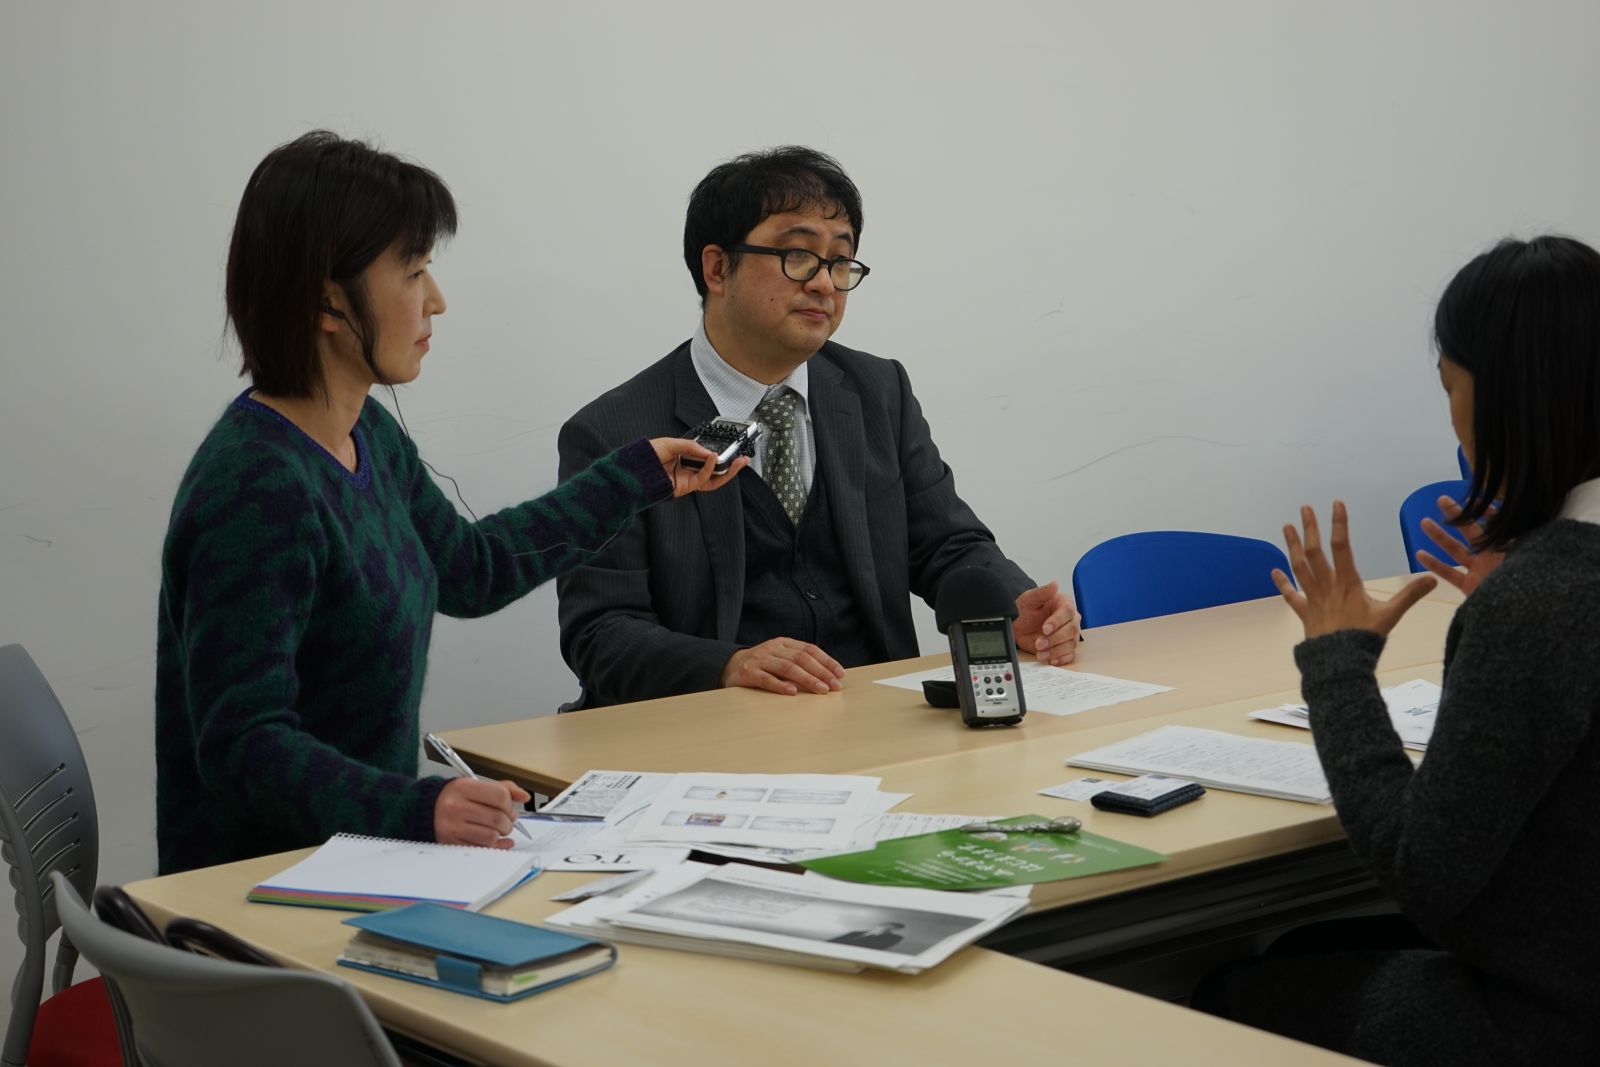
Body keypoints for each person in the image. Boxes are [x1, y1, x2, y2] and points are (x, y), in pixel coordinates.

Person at [155, 132, 742, 875]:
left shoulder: (365, 433)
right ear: (327, 299)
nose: (436, 299)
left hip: (356, 860)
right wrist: (416, 809)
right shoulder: (254, 489)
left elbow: (471, 568)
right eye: (412, 272)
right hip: (258, 889)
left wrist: (636, 477)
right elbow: (242, 744)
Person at [1192, 235, 1600, 1065]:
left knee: (1226, 992)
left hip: (1544, 1023)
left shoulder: (1541, 602)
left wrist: (1338, 662)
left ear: (1503, 398)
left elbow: (1423, 874)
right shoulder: (1554, 589)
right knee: (1307, 953)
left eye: (1451, 386)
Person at [556, 146, 1077, 708]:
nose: (825, 284)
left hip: (871, 714)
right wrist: (728, 664)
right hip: (709, 728)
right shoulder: (613, 432)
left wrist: (1012, 606)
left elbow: (948, 544)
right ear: (717, 268)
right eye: (799, 256)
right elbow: (600, 633)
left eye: (840, 262)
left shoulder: (878, 391)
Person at [829, 922, 906, 951]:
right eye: (885, 926)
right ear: (877, 925)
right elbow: (834, 941)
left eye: (892, 928)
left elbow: (878, 948)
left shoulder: (894, 938)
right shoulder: (854, 933)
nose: (886, 928)